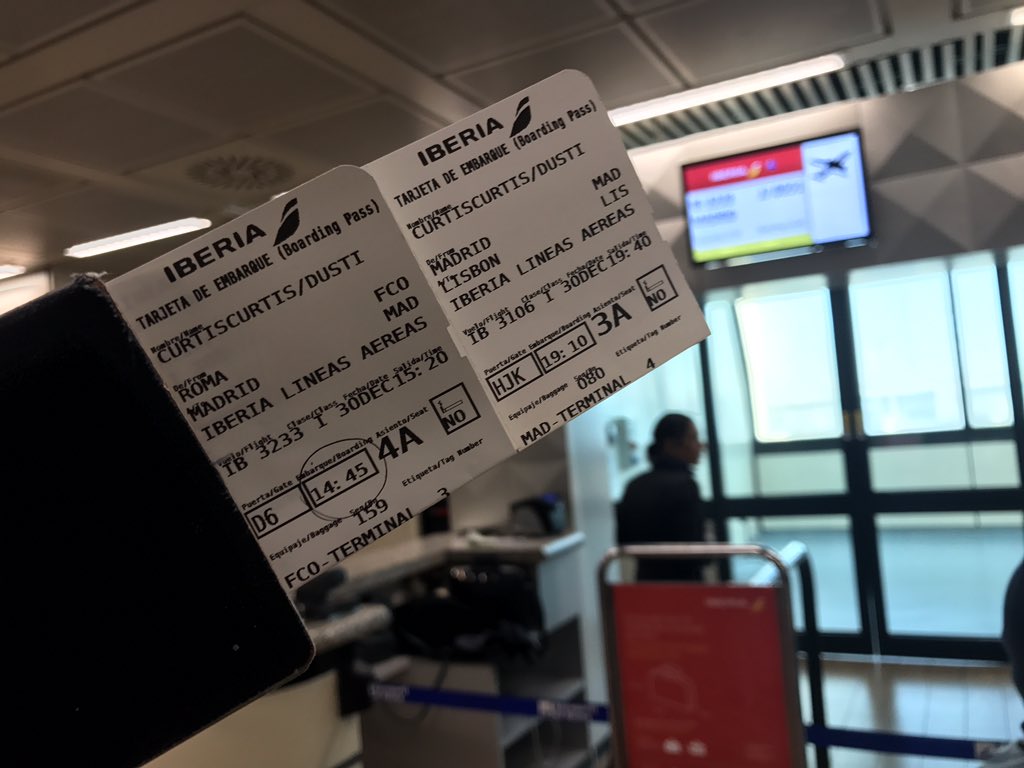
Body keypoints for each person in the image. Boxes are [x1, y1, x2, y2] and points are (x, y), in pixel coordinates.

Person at [615, 413, 706, 582]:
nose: (699, 445)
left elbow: (624, 539)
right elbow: (695, 550)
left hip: (645, 583)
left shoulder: (635, 485)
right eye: (693, 438)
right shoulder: (685, 486)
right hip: (685, 585)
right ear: (671, 444)